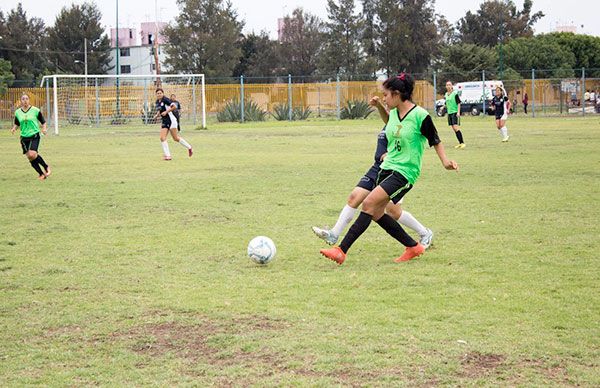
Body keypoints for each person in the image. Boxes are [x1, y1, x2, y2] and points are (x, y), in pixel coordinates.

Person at [320, 73, 458, 265]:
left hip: (404, 172)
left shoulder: (421, 116)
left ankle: (341, 250)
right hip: (387, 167)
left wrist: (445, 162)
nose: (383, 98)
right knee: (376, 213)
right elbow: (390, 123)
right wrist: (380, 108)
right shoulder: (393, 113)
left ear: (397, 93)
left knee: (368, 204)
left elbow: (435, 140)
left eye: (386, 95)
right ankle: (413, 246)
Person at [312, 95, 434, 250]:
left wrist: (391, 157)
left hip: (395, 171)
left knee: (393, 212)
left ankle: (424, 233)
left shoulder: (407, 124)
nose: (386, 100)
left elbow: (413, 146)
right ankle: (334, 234)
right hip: (378, 168)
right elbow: (380, 151)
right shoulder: (389, 123)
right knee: (354, 197)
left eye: (388, 96)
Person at [11, 93, 52, 181]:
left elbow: (43, 121)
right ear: (20, 101)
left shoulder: (35, 110)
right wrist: (14, 128)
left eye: (26, 99)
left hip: (34, 135)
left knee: (32, 154)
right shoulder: (17, 112)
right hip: (24, 137)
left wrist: (44, 129)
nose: (25, 100)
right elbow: (17, 123)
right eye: (23, 99)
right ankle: (41, 174)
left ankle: (46, 166)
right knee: (30, 157)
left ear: (29, 100)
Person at [154, 88, 193, 160]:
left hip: (171, 120)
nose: (159, 94)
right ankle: (168, 155)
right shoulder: (157, 101)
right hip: (165, 121)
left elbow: (174, 106)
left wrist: (166, 112)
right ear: (156, 94)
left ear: (163, 93)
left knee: (174, 138)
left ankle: (189, 147)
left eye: (160, 93)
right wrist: (157, 115)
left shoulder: (165, 99)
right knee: (165, 138)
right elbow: (160, 109)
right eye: (157, 93)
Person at [444, 81, 465, 149]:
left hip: (454, 112)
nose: (448, 86)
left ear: (452, 86)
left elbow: (458, 103)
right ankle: (460, 143)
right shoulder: (446, 94)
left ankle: (462, 143)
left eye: (449, 85)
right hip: (449, 113)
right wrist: (442, 107)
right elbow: (446, 103)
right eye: (447, 85)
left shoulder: (455, 93)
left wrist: (458, 112)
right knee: (454, 128)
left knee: (456, 127)